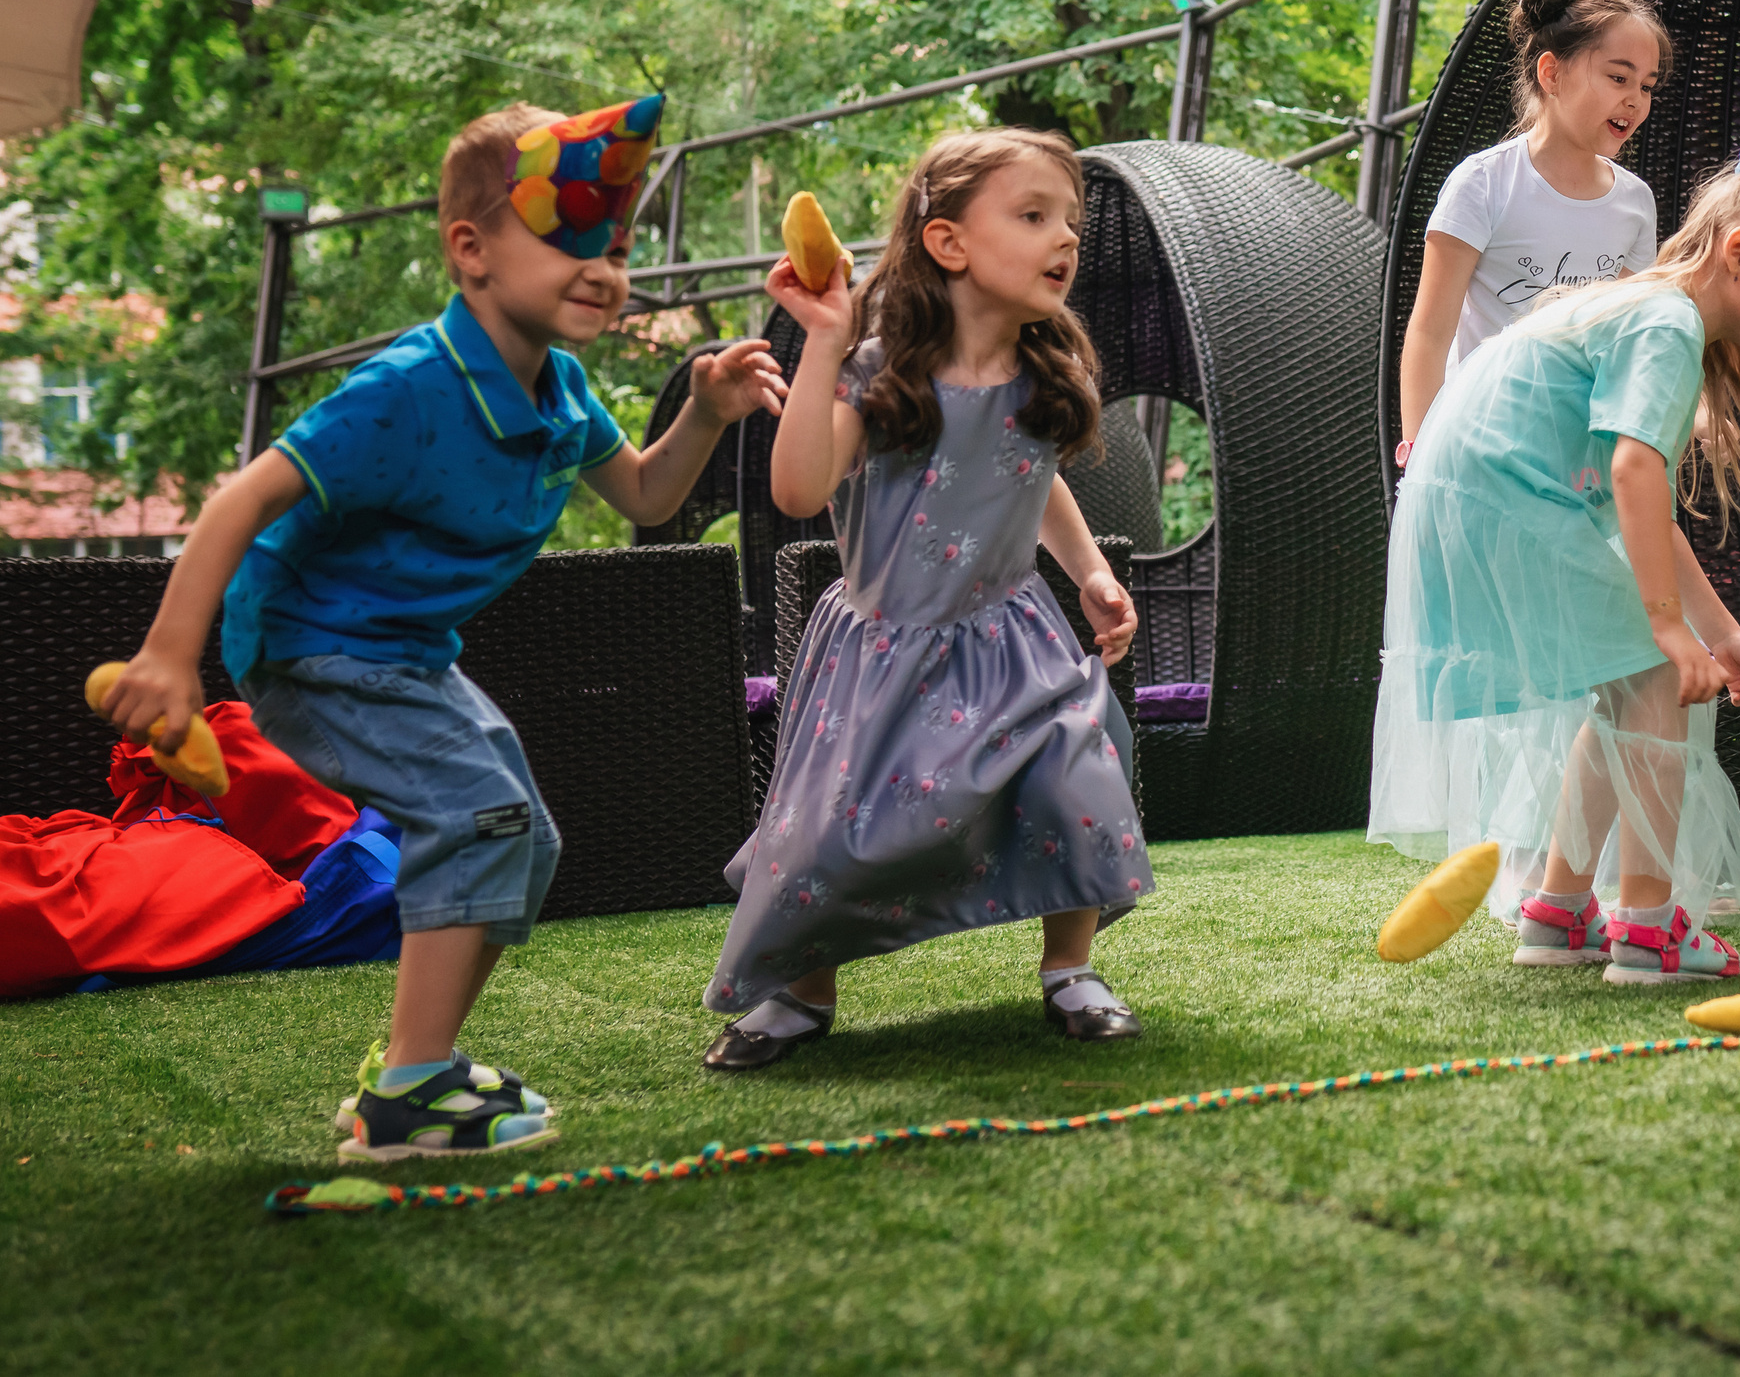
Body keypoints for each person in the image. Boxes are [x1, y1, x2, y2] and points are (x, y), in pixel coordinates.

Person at [99, 95, 787, 1159]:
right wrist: (169, 656)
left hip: (407, 657)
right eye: (567, 241)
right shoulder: (407, 389)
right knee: (476, 818)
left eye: (613, 245)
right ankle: (407, 1095)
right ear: (471, 250)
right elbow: (241, 501)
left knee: (521, 835)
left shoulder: (560, 391)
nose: (602, 266)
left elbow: (648, 499)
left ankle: (414, 1063)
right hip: (317, 652)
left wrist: (704, 408)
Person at [699, 127, 1152, 1068]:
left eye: (1069, 219)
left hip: (1014, 638)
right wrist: (823, 340)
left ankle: (1069, 968)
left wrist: (1090, 572)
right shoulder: (881, 373)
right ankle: (801, 991)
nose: (1064, 237)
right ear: (948, 244)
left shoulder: (1042, 373)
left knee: (1080, 770)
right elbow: (796, 491)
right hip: (888, 648)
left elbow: (1034, 477)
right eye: (1033, 216)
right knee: (837, 840)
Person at [1369, 134, 1740, 984]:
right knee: (1653, 674)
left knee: (1625, 679)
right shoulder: (1667, 323)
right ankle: (1647, 926)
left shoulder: (1647, 309)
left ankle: (1559, 911)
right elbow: (1637, 472)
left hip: (1474, 503)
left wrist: (1721, 633)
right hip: (1494, 506)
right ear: (1739, 251)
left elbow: (1644, 507)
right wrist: (1673, 635)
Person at [1394, 0, 1668, 467]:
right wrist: (1422, 457)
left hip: (1576, 456)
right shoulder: (1483, 183)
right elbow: (1430, 332)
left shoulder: (1636, 203)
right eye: (1618, 76)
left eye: (1647, 86)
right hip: (1480, 447)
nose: (1635, 99)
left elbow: (1625, 347)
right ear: (1551, 73)